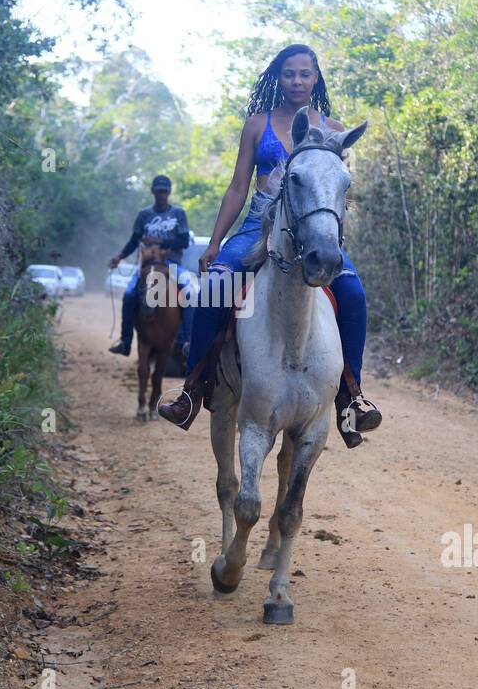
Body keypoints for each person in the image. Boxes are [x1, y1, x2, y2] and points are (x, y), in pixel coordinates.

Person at [156, 44, 382, 448]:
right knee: (213, 291)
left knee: (353, 294)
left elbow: (339, 193)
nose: (297, 81)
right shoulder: (257, 125)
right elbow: (238, 187)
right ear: (277, 78)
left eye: (305, 74)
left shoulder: (334, 129)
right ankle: (194, 386)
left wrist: (329, 229)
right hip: (257, 227)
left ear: (316, 79)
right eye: (289, 74)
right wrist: (216, 242)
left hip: (313, 232)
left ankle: (351, 396)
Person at [107, 174, 196, 356]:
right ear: (153, 192)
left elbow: (184, 241)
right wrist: (119, 257)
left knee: (189, 292)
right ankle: (125, 341)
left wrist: (160, 242)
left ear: (169, 192)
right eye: (158, 191)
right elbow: (134, 241)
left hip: (171, 264)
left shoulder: (178, 214)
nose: (161, 195)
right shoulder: (144, 215)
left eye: (164, 191)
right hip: (147, 265)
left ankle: (187, 342)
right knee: (130, 294)